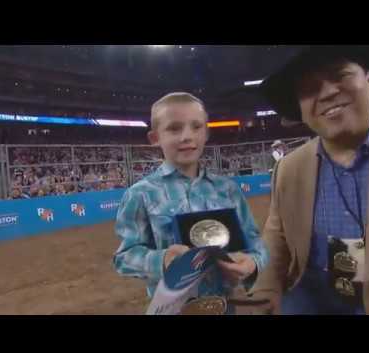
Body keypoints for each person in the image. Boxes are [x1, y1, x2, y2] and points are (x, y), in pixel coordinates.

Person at [252, 45, 369, 315]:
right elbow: (277, 237)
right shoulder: (289, 168)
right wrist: (265, 290)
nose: (327, 92)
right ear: (300, 110)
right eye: (310, 88)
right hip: (317, 300)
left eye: (340, 76)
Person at [113, 92, 269, 311]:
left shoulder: (228, 190)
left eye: (196, 127)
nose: (187, 136)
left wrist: (252, 264)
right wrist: (163, 259)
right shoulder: (140, 194)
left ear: (206, 133)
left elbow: (257, 246)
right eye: (174, 128)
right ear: (154, 138)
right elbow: (124, 258)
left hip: (226, 306)